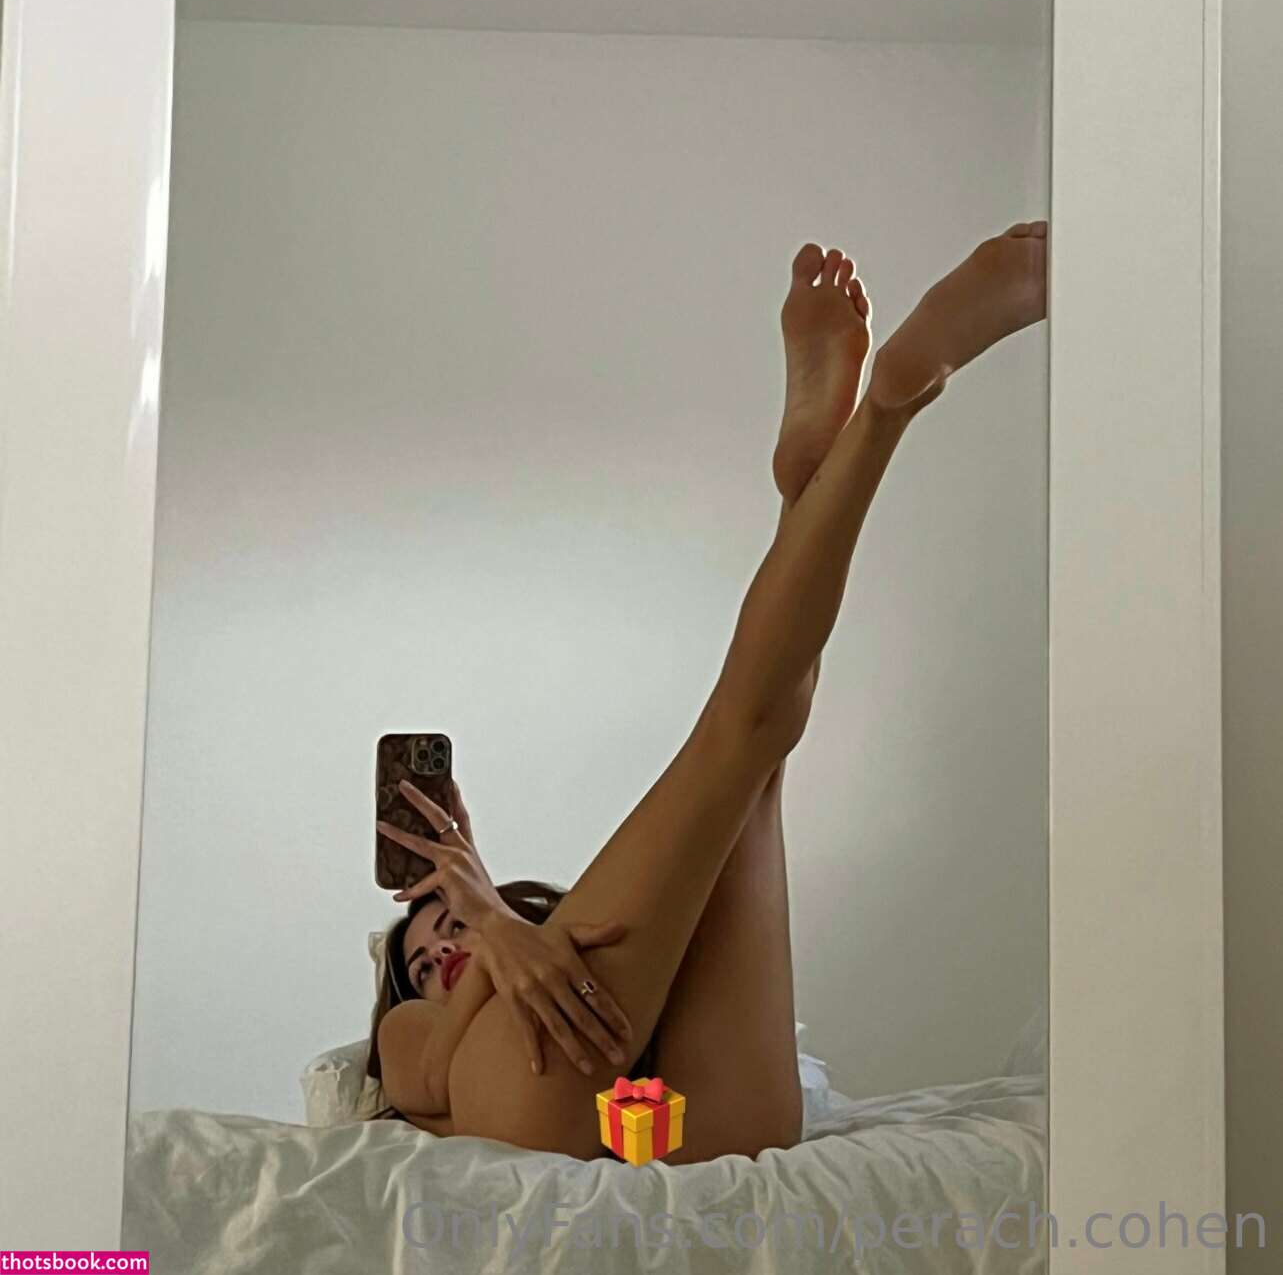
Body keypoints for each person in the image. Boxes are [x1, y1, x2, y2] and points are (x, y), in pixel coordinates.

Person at [363, 223, 1048, 1162]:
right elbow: (436, 1069)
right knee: (755, 763)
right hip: (616, 1110)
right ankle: (818, 478)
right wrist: (496, 932)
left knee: (748, 745)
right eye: (425, 959)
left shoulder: (568, 950)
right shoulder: (402, 1029)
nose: (441, 949)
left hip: (611, 1078)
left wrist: (505, 926)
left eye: (443, 925)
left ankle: (878, 419)